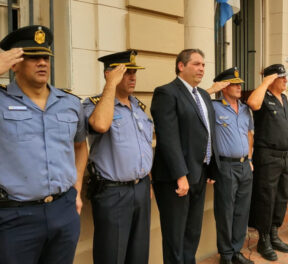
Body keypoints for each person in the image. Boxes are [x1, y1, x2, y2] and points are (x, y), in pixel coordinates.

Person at [0, 25, 88, 263]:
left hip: (64, 210)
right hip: (16, 216)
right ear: (14, 63)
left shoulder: (70, 103)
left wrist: (77, 190)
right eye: (32, 57)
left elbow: (80, 146)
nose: (42, 63)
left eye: (45, 57)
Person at [82, 50, 153, 264]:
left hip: (140, 188)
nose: (132, 77)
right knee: (111, 254)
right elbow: (101, 125)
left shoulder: (139, 108)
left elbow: (144, 146)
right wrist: (110, 86)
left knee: (139, 254)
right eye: (126, 72)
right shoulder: (94, 104)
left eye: (134, 72)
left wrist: (147, 181)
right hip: (113, 192)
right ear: (109, 74)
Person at [150, 49, 219, 264]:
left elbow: (208, 132)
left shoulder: (204, 95)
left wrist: (211, 168)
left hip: (199, 175)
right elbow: (168, 138)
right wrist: (181, 175)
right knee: (175, 237)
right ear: (181, 66)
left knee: (192, 234)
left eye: (204, 65)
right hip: (176, 179)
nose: (202, 68)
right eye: (197, 64)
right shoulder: (166, 93)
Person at [247, 64, 288, 261]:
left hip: (284, 156)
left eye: (285, 76)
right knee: (266, 199)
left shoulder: (284, 98)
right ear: (271, 79)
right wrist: (265, 81)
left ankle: (274, 233)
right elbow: (252, 104)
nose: (285, 80)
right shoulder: (262, 97)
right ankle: (263, 239)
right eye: (281, 77)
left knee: (282, 196)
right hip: (268, 155)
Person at [209, 67, 254, 264]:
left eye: (239, 84)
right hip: (225, 167)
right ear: (224, 87)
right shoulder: (213, 106)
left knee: (241, 211)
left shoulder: (245, 109)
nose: (238, 87)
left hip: (245, 166)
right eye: (233, 84)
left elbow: (249, 135)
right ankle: (226, 255)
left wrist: (250, 160)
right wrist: (212, 88)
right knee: (225, 212)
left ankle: (236, 251)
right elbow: (195, 104)